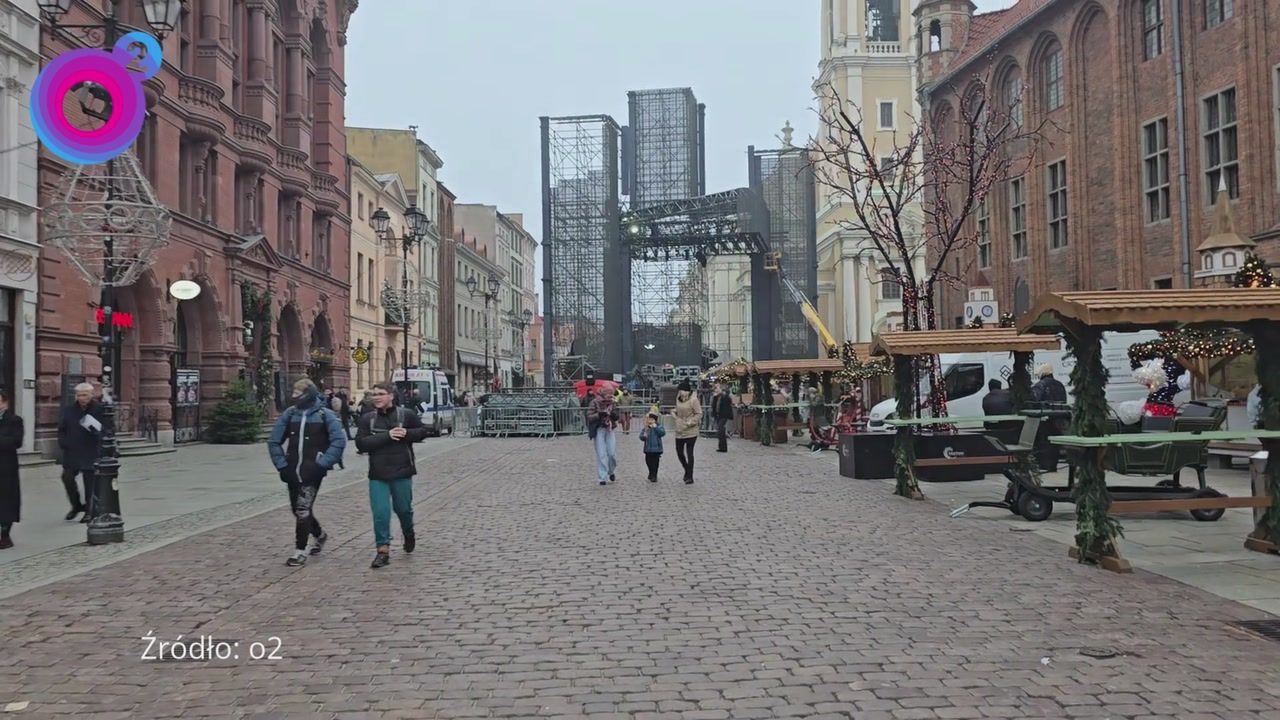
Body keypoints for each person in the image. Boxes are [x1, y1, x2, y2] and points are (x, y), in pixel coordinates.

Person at [267, 378, 347, 567]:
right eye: (294, 394)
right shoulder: (290, 414)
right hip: (292, 469)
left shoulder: (324, 415)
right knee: (297, 509)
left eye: (299, 394)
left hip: (313, 471)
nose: (295, 397)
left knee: (303, 509)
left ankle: (299, 551)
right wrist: (282, 465)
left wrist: (323, 463)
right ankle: (320, 534)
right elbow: (274, 441)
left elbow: (338, 441)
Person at [355, 382, 428, 568]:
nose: (376, 397)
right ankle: (382, 550)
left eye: (380, 393)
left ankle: (408, 532)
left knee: (403, 509)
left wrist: (407, 433)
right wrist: (387, 435)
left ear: (391, 396)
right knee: (380, 513)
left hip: (402, 470)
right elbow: (361, 443)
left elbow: (422, 432)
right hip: (378, 473)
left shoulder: (406, 414)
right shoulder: (368, 418)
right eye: (374, 394)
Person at [56, 383, 104, 523]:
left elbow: (107, 430)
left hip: (91, 450)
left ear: (91, 395)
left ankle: (89, 511)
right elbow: (62, 428)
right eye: (78, 395)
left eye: (84, 395)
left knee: (90, 482)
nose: (81, 398)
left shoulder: (99, 409)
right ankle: (76, 505)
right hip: (72, 450)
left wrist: (98, 433)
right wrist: (63, 443)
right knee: (67, 478)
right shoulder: (69, 410)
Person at [0, 390, 23, 549]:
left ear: (4, 403)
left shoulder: (14, 420)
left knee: (6, 501)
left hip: (6, 467)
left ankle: (5, 534)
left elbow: (16, 441)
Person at [586, 385, 619, 485]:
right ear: (603, 393)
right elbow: (589, 416)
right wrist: (599, 415)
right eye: (608, 394)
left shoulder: (613, 403)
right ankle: (602, 477)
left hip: (609, 428)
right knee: (601, 454)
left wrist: (614, 415)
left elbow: (617, 415)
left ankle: (611, 470)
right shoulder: (595, 402)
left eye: (611, 394)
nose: (610, 396)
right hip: (599, 429)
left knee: (612, 453)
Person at [672, 380, 702, 484]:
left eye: (682, 391)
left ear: (688, 391)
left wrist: (691, 422)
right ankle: (686, 469)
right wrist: (674, 413)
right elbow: (677, 409)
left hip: (691, 430)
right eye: (679, 391)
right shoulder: (678, 399)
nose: (680, 393)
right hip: (680, 429)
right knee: (679, 452)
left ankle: (690, 476)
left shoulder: (694, 400)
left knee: (690, 453)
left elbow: (699, 413)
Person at [639, 411, 665, 482]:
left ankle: (654, 475)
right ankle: (651, 472)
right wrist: (644, 436)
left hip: (657, 449)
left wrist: (656, 427)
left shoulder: (658, 426)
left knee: (655, 463)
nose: (649, 420)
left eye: (651, 419)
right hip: (648, 449)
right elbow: (641, 436)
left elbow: (662, 433)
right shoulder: (646, 428)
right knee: (648, 462)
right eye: (649, 419)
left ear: (655, 420)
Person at [712, 383, 734, 453]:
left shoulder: (724, 396)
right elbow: (714, 406)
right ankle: (721, 447)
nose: (716, 389)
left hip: (724, 415)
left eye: (718, 388)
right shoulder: (716, 397)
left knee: (721, 430)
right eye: (715, 388)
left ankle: (723, 447)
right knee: (720, 431)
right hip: (718, 415)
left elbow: (728, 401)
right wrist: (715, 397)